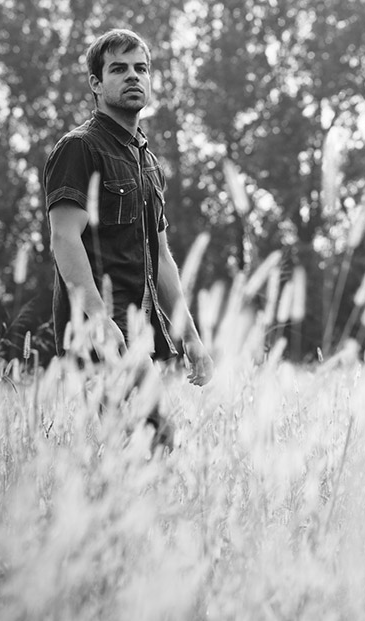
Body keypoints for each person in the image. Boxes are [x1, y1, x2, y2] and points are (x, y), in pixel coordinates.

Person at [44, 29, 212, 451]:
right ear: (96, 84)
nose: (133, 76)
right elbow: (64, 238)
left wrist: (190, 334)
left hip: (140, 328)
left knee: (135, 453)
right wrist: (100, 320)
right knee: (157, 442)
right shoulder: (79, 149)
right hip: (99, 329)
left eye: (141, 68)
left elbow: (162, 258)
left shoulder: (147, 160)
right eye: (119, 69)